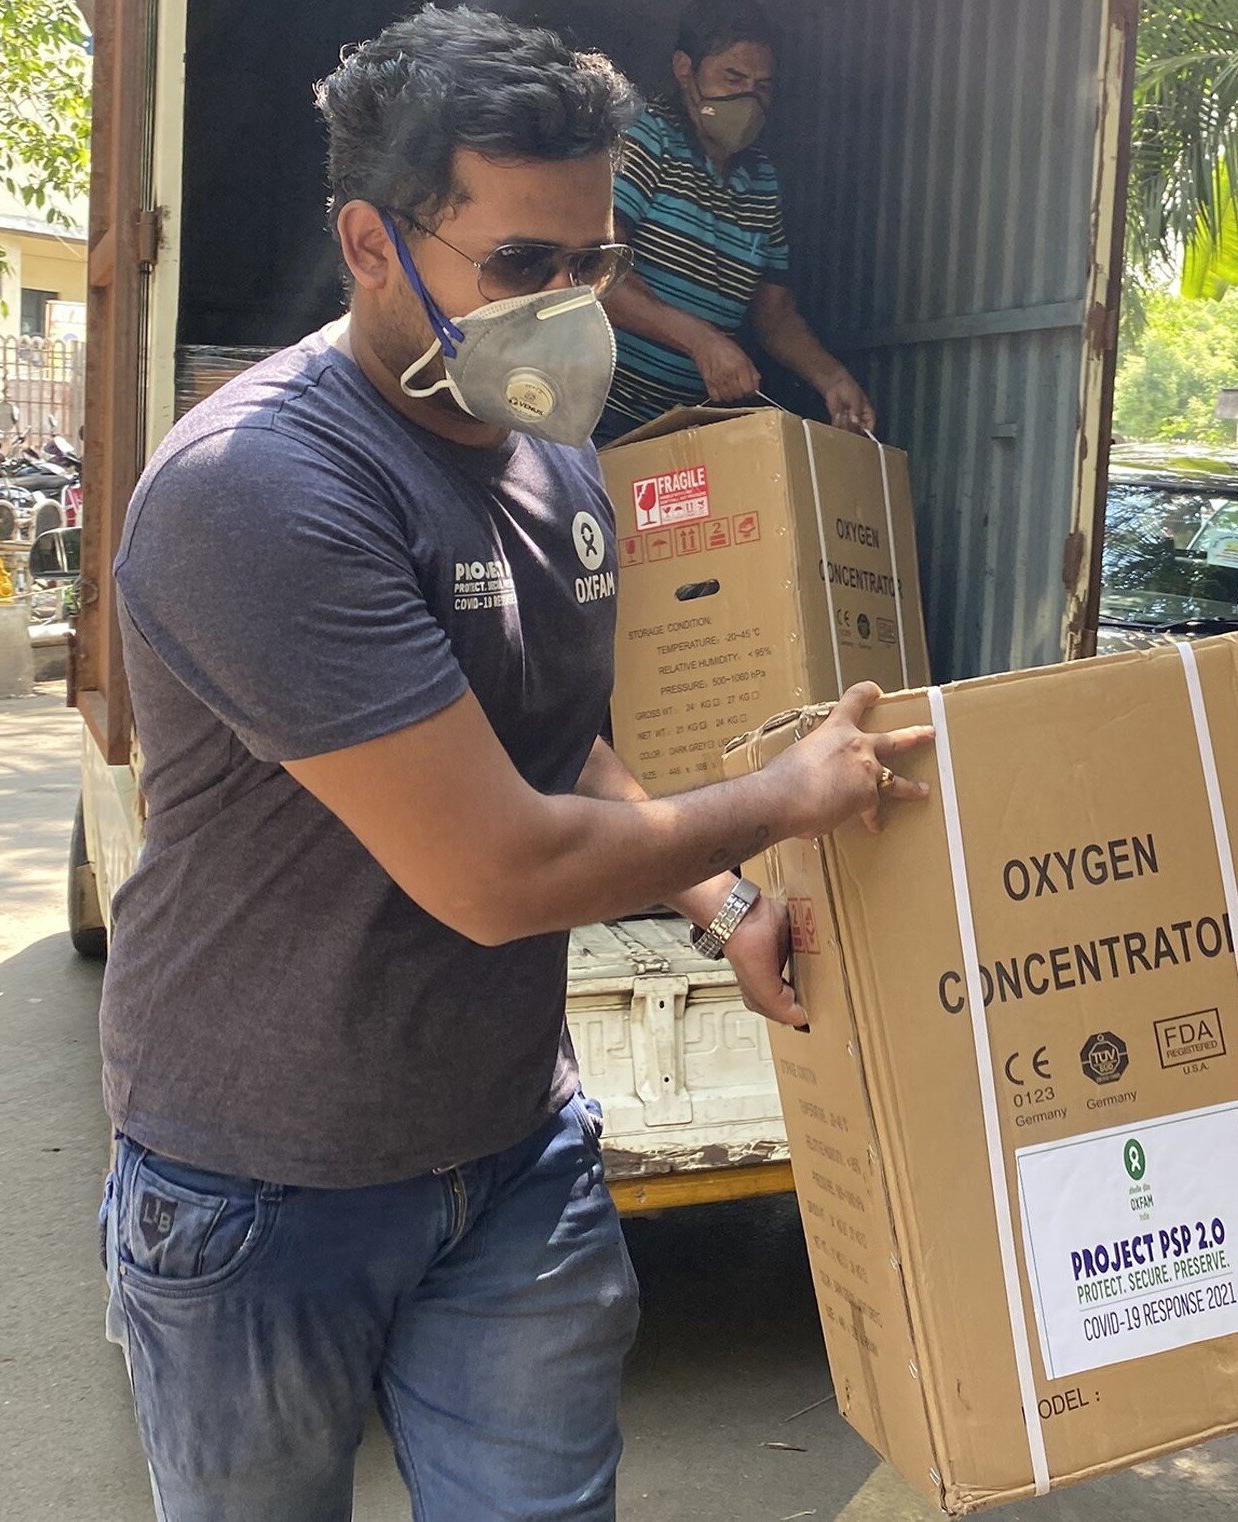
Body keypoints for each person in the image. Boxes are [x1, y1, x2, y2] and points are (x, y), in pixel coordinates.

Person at [97, 11, 929, 1521]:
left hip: (511, 1150)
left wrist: (728, 898)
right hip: (263, 1179)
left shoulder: (547, 457)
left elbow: (555, 750)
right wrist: (791, 792)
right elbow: (496, 870)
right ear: (369, 240)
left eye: (593, 262)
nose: (569, 305)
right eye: (523, 268)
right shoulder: (267, 493)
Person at [595, 0, 875, 440]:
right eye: (733, 78)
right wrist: (700, 340)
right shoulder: (648, 141)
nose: (750, 98)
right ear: (684, 69)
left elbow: (775, 316)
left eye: (763, 86)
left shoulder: (762, 181)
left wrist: (832, 378)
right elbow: (595, 270)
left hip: (680, 428)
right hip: (597, 414)